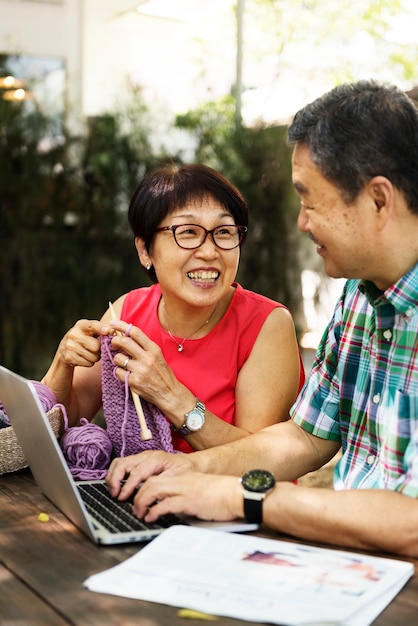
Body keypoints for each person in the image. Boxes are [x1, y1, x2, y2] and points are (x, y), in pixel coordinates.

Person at [105, 80, 418, 558]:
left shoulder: (266, 319)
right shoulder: (361, 296)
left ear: (378, 200)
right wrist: (190, 470)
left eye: (311, 200)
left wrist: (240, 495)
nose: (301, 222)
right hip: (355, 563)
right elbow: (306, 435)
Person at [42, 163, 304, 459]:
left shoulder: (267, 324)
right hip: (139, 498)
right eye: (188, 232)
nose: (209, 251)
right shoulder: (126, 313)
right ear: (145, 250)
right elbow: (67, 422)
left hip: (231, 503)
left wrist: (174, 398)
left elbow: (263, 462)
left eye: (224, 231)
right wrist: (62, 364)